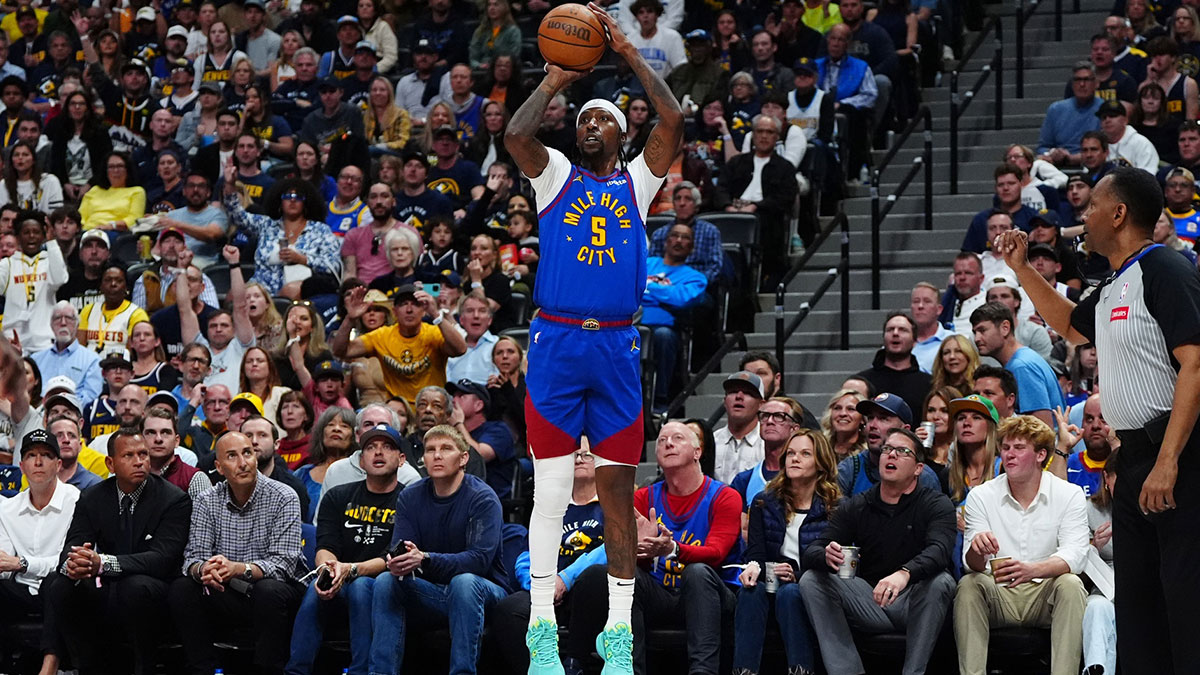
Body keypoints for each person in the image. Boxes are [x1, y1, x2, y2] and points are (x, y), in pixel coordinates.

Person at [504, 5, 685, 671]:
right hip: (555, 341)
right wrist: (556, 79)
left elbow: (672, 122)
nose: (588, 126)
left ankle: (618, 631)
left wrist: (631, 56)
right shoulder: (555, 174)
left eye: (599, 118)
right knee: (551, 488)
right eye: (582, 120)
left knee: (614, 489)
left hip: (614, 347)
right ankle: (541, 628)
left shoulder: (638, 182)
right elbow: (516, 136)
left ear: (619, 129)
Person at [994, 167, 1200, 675]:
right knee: (1138, 604)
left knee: (1184, 598)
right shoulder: (1114, 282)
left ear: (1119, 212)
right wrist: (1022, 269)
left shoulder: (1166, 271)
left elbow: (1196, 363)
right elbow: (1068, 324)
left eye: (1091, 208)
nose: (1082, 217)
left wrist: (1169, 459)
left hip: (1176, 453)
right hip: (1131, 457)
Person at [564, 420, 743, 675]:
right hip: (658, 595)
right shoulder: (642, 497)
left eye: (678, 438)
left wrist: (672, 549)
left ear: (697, 452)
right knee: (611, 575)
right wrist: (640, 551)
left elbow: (716, 554)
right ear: (657, 456)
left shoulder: (725, 496)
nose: (668, 443)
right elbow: (630, 562)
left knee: (697, 573)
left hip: (710, 596)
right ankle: (625, 668)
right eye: (661, 440)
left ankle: (703, 672)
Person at [799, 427, 957, 675]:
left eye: (901, 451)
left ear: (918, 468)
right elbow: (813, 550)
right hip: (871, 600)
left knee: (941, 581)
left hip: (914, 601)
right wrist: (826, 555)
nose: (891, 455)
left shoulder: (936, 503)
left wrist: (905, 573)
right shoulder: (858, 504)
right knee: (811, 580)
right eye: (887, 449)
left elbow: (940, 550)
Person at [42, 428, 192, 675]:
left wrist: (102, 563)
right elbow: (74, 543)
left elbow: (162, 559)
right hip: (109, 587)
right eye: (129, 456)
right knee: (58, 583)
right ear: (110, 464)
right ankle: (85, 666)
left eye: (143, 454)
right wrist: (75, 563)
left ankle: (144, 667)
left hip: (155, 587)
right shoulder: (93, 496)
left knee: (134, 587)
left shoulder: (173, 499)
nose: (139, 461)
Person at [367, 424, 508, 675]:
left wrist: (425, 558)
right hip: (432, 591)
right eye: (430, 450)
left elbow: (479, 561)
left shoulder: (482, 498)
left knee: (464, 582)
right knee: (386, 581)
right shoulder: (410, 496)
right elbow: (401, 549)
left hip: (484, 591)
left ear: (463, 458)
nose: (437, 455)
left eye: (446, 449)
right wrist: (399, 560)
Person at [954, 415, 1090, 675]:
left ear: (1041, 455)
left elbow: (1076, 556)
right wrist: (976, 549)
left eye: (1019, 448)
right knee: (969, 585)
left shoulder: (1068, 494)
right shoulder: (981, 495)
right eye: (1005, 448)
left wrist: (1032, 570)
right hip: (998, 592)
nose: (1009, 455)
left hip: (1044, 594)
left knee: (1071, 585)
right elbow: (971, 565)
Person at [169, 431, 306, 674]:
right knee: (183, 587)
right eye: (232, 456)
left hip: (278, 590)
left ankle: (267, 670)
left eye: (247, 453)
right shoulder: (206, 499)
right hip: (227, 590)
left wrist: (238, 569)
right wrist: (204, 570)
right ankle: (202, 669)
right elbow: (193, 558)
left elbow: (284, 564)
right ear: (219, 468)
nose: (243, 463)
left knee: (268, 591)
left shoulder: (284, 496)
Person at [286, 421, 406, 675]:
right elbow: (325, 545)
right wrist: (328, 568)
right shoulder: (338, 496)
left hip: (385, 584)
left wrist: (350, 570)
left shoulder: (409, 500)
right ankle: (296, 671)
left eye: (387, 447)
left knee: (362, 586)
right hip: (341, 576)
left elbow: (395, 556)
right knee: (318, 585)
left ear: (402, 458)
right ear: (361, 461)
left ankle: (360, 671)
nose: (379, 452)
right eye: (371, 447)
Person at [732, 428, 837, 675]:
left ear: (821, 463)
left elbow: (834, 563)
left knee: (790, 593)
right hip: (771, 581)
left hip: (812, 586)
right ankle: (743, 671)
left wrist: (798, 576)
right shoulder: (763, 502)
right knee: (749, 592)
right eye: (790, 453)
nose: (795, 459)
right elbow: (755, 554)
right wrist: (753, 569)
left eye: (805, 454)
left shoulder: (836, 507)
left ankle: (801, 670)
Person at [0, 429, 79, 675]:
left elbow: (68, 561)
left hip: (65, 588)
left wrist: (23, 563)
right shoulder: (7, 508)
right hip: (22, 590)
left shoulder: (77, 501)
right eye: (32, 455)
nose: (38, 462)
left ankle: (49, 668)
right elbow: (4, 563)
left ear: (57, 464)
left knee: (57, 582)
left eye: (45, 455)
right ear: (21, 466)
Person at [332, 284, 466, 403]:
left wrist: (436, 315)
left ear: (424, 310)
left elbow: (460, 349)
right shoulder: (382, 336)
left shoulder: (433, 333)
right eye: (403, 304)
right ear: (394, 312)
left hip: (431, 408)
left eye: (415, 304)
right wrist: (350, 319)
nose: (409, 309)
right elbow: (340, 351)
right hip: (398, 412)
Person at [223, 176, 341, 298]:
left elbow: (333, 265)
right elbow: (237, 217)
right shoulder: (266, 225)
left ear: (306, 203)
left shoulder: (320, 230)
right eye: (287, 196)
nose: (292, 201)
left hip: (300, 290)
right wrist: (230, 185)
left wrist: (303, 259)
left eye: (298, 197)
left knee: (290, 290)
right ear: (279, 202)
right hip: (261, 290)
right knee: (233, 295)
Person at [969, 301, 1063, 427]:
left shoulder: (1021, 367)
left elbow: (1041, 428)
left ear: (1005, 328)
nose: (977, 339)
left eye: (982, 330)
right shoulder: (1023, 360)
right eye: (975, 332)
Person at [178, 246, 254, 392]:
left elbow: (240, 306)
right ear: (206, 329)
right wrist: (181, 269)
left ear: (234, 329)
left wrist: (234, 264)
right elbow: (184, 310)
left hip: (233, 409)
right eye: (213, 326)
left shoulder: (241, 347)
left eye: (224, 325)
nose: (218, 329)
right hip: (200, 409)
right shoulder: (198, 348)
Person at [837, 392, 942, 496]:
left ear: (904, 430)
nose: (872, 425)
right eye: (870, 418)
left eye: (883, 419)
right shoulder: (849, 470)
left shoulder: (923, 477)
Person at [317, 403, 422, 502]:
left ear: (397, 435)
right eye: (368, 424)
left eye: (383, 424)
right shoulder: (336, 471)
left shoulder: (410, 477)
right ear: (357, 435)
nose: (375, 429)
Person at [0, 211, 67, 354]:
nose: (31, 236)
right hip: (13, 340)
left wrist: (52, 242)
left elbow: (60, 279)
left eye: (36, 232)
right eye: (26, 232)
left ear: (43, 236)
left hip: (44, 340)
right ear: (17, 237)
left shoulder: (49, 261)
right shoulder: (8, 264)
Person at [853, 312, 934, 417]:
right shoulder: (864, 382)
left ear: (914, 341)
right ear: (883, 338)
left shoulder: (929, 384)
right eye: (890, 329)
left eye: (903, 330)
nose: (895, 333)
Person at [447, 377, 515, 499]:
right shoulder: (451, 432)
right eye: (453, 396)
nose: (454, 400)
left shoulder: (498, 430)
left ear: (478, 405)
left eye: (461, 396)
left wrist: (458, 424)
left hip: (490, 502)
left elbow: (478, 456)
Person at [30, 301, 102, 407]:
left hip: (73, 416)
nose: (63, 323)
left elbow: (90, 398)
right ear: (51, 325)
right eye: (57, 318)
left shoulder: (93, 360)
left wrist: (60, 409)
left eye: (68, 318)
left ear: (77, 324)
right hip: (38, 416)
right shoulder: (36, 359)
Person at [1037, 61, 1103, 165]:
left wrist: (1077, 157)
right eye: (1077, 80)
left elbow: (1111, 148)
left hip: (1095, 166)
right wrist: (1052, 152)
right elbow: (1042, 148)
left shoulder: (1104, 109)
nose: (1082, 84)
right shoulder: (1056, 109)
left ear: (1096, 83)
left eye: (1086, 80)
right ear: (1072, 84)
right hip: (1059, 166)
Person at [78, 265, 149, 358]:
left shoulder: (136, 314)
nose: (113, 284)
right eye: (108, 280)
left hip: (119, 366)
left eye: (119, 281)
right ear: (101, 286)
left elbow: (133, 354)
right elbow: (79, 347)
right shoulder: (88, 310)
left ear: (126, 288)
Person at [143, 407, 210, 499]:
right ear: (141, 440)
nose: (158, 439)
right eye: (151, 433)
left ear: (176, 441)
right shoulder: (132, 476)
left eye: (165, 432)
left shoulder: (195, 479)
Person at [713, 371, 766, 483]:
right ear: (724, 401)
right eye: (733, 392)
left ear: (761, 405)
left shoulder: (768, 444)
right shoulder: (712, 441)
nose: (739, 396)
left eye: (747, 393)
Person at [79, 151, 146, 231]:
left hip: (115, 232)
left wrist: (111, 226)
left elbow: (134, 218)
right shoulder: (95, 190)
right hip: (88, 231)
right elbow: (80, 217)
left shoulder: (137, 191)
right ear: (106, 171)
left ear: (127, 170)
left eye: (120, 166)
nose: (116, 171)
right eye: (111, 167)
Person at [446, 292, 499, 385]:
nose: (476, 316)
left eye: (482, 311)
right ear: (461, 320)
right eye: (470, 311)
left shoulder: (498, 346)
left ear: (490, 320)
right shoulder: (450, 347)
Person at [910, 282, 955, 374]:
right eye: (916, 301)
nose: (920, 306)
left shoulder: (953, 341)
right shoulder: (899, 341)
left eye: (927, 301)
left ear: (939, 309)